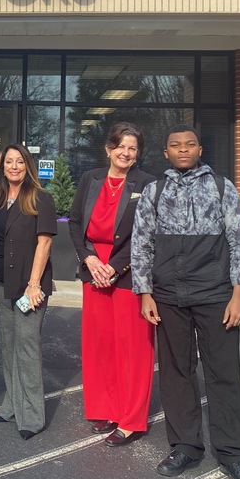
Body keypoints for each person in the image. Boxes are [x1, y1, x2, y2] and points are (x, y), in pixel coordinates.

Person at [132, 125, 240, 479]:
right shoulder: (154, 192)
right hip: (168, 297)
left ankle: (234, 454)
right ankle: (185, 446)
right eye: (176, 145)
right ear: (166, 153)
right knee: (176, 373)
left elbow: (239, 240)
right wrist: (145, 292)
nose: (183, 149)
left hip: (215, 295)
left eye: (189, 144)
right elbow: (141, 243)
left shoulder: (222, 187)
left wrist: (239, 294)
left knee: (223, 374)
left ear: (200, 149)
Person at [68, 122, 156, 447]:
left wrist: (116, 268)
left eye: (132, 148)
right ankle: (106, 410)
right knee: (100, 345)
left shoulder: (147, 184)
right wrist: (88, 259)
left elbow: (147, 233)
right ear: (108, 148)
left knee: (132, 348)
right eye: (120, 146)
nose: (126, 153)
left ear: (137, 154)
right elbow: (75, 222)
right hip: (94, 268)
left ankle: (131, 419)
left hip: (127, 272)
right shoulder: (90, 179)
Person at [0, 144, 57, 440]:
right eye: (8, 162)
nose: (14, 166)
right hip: (2, 283)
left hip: (29, 285)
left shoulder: (41, 198)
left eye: (19, 162)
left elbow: (44, 243)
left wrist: (33, 284)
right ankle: (13, 403)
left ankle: (32, 416)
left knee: (27, 347)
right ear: (1, 167)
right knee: (9, 344)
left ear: (27, 165)